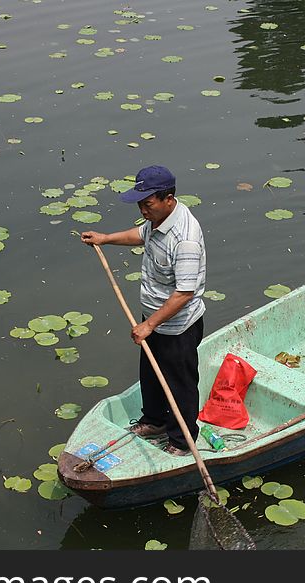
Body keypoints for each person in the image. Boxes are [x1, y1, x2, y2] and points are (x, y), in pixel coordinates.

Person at [81, 165, 206, 456]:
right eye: (140, 203)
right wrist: (105, 238)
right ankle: (155, 420)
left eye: (147, 204)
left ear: (169, 199)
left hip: (178, 325)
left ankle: (181, 440)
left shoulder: (185, 238)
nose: (143, 210)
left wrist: (149, 325)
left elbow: (185, 293)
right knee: (150, 372)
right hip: (153, 317)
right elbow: (141, 234)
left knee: (179, 384)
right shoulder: (157, 219)